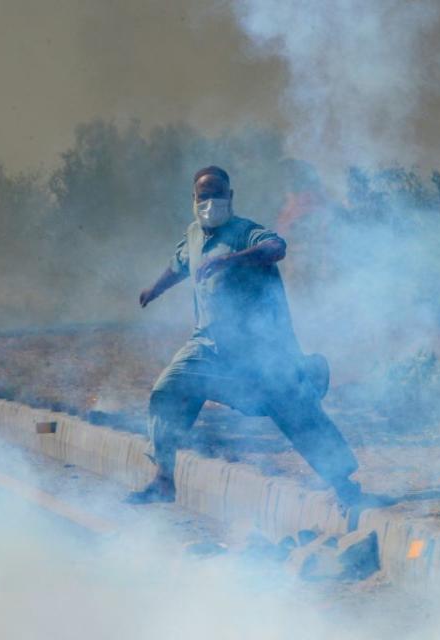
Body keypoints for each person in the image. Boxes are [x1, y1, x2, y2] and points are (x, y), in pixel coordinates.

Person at [128, 166, 364, 507]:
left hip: (259, 350)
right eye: (203, 196)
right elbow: (179, 265)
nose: (210, 202)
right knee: (167, 390)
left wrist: (232, 260)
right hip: (207, 345)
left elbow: (276, 247)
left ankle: (343, 485)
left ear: (231, 197)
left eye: (217, 194)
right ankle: (163, 479)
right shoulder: (194, 234)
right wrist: (154, 289)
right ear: (194, 199)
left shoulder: (244, 231)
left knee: (293, 406)